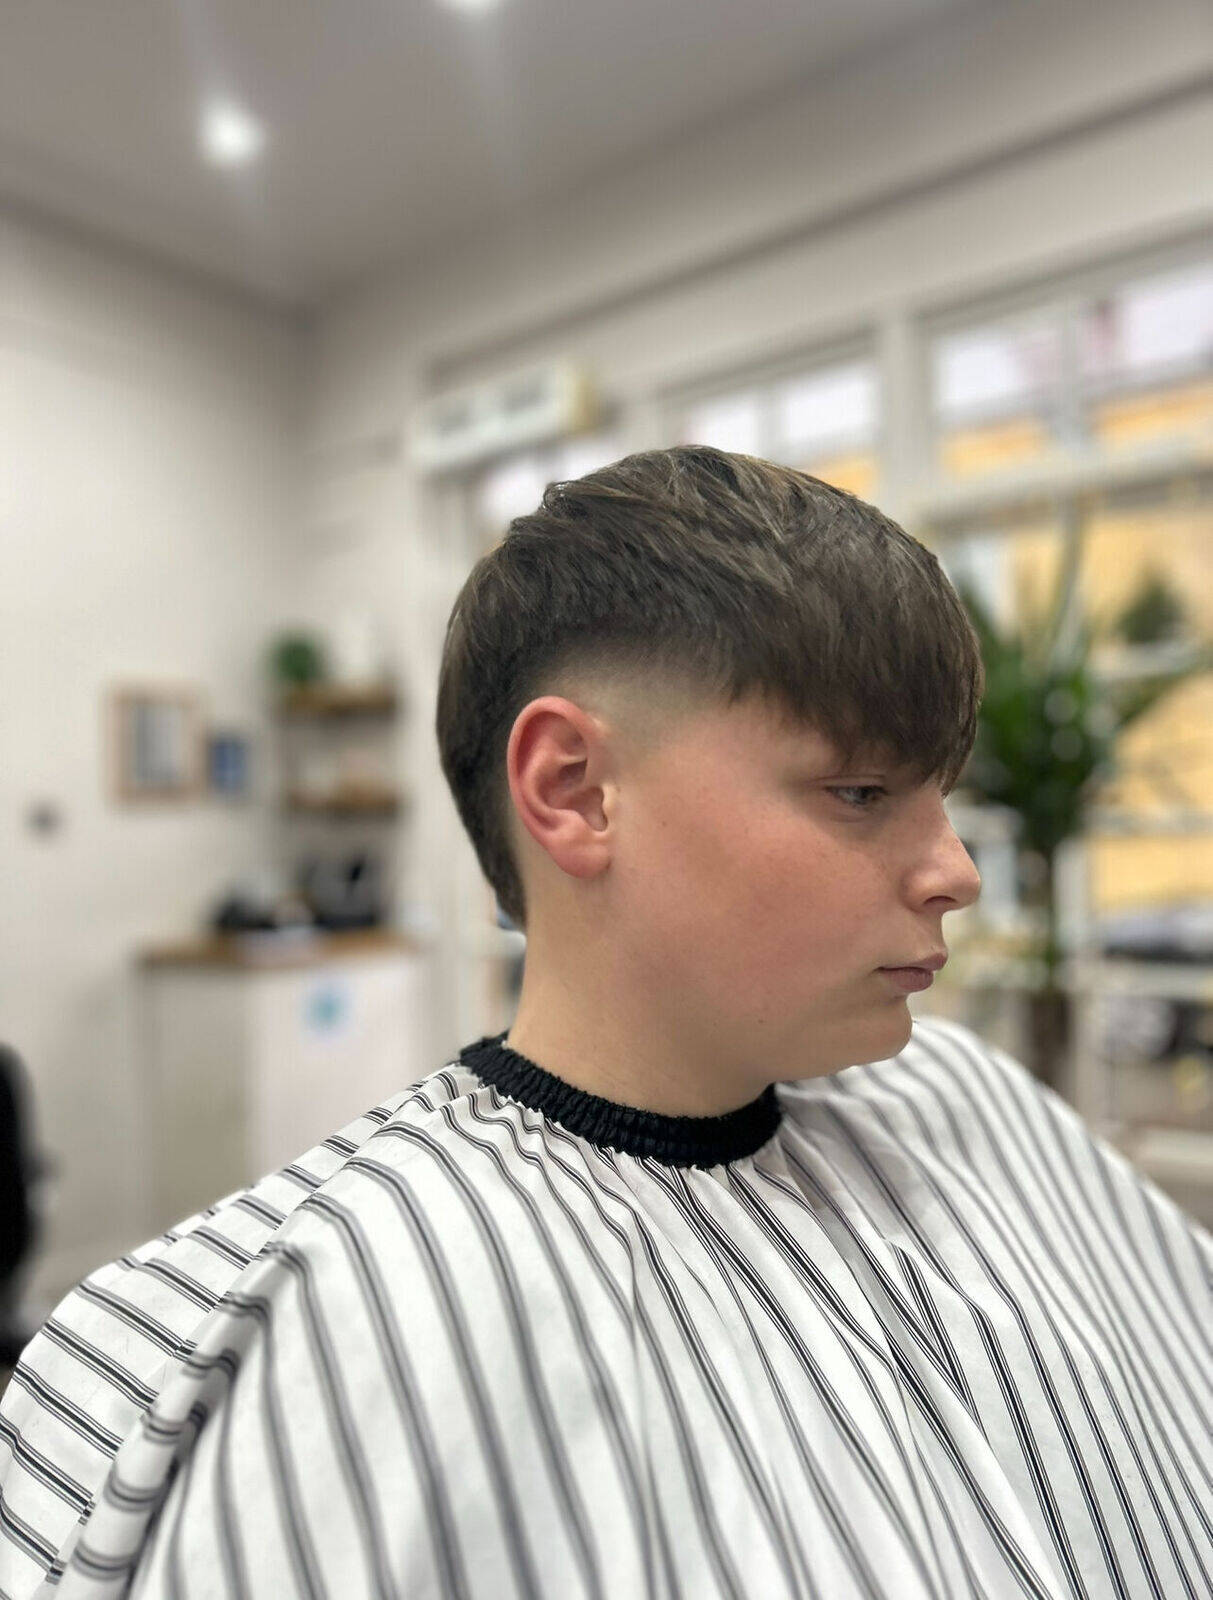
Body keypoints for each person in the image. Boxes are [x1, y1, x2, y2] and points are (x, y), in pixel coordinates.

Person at [1, 446, 1209, 1599]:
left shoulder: (957, 1097)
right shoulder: (337, 1304)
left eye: (939, 798)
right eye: (860, 790)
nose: (955, 871)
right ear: (575, 791)